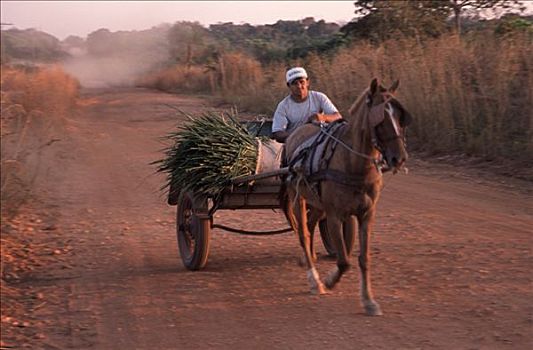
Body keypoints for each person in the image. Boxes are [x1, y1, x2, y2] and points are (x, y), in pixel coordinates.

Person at [271, 67, 342, 143]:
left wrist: (322, 117)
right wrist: (297, 136)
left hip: (319, 141)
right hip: (295, 145)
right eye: (295, 83)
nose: (299, 86)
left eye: (302, 82)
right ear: (289, 86)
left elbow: (338, 117)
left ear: (307, 82)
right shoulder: (283, 106)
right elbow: (277, 132)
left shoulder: (319, 97)